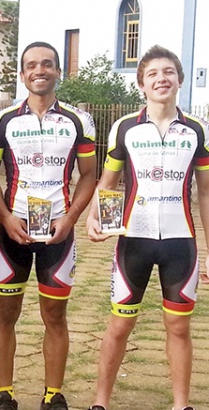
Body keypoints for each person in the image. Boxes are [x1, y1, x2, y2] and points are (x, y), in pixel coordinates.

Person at [85, 45, 209, 410]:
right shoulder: (125, 127)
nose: (162, 79)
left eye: (169, 72)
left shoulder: (197, 130)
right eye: (153, 74)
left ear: (180, 80)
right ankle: (100, 402)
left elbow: (205, 192)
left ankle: (181, 404)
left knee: (179, 328)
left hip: (179, 243)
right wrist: (94, 217)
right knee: (120, 326)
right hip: (133, 241)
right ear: (141, 84)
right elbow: (106, 182)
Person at [0, 41, 98, 410]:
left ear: (58, 71)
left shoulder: (79, 120)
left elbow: (90, 174)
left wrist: (72, 217)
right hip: (12, 229)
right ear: (22, 74)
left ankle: (53, 393)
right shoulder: (2, 120)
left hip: (58, 232)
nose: (39, 70)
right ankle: (5, 392)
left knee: (55, 314)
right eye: (32, 65)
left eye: (47, 64)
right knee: (5, 312)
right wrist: (4, 216)